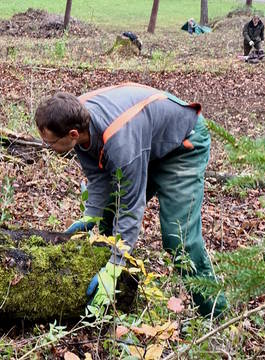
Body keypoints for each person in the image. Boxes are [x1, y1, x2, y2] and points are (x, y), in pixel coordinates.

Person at [34, 83, 227, 319]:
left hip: (182, 145)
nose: (48, 147)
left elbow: (130, 207)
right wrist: (90, 215)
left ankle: (214, 314)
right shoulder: (72, 117)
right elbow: (98, 176)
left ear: (73, 134)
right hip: (145, 139)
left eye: (50, 143)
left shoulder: (120, 143)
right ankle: (109, 298)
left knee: (179, 239)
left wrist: (116, 263)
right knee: (108, 217)